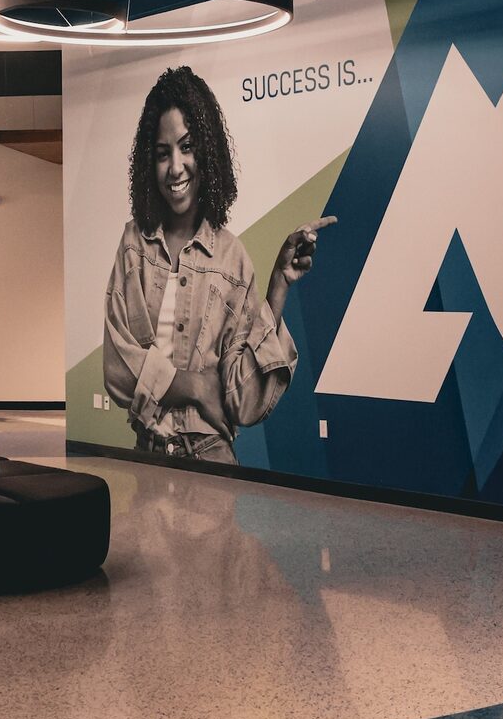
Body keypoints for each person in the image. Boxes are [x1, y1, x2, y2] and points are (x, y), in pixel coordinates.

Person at [103, 64, 334, 466]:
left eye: (188, 147)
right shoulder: (132, 247)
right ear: (148, 162)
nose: (175, 167)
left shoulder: (233, 259)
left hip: (211, 458)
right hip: (147, 457)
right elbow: (118, 373)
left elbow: (242, 403)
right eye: (162, 153)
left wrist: (279, 284)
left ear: (207, 151)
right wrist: (193, 385)